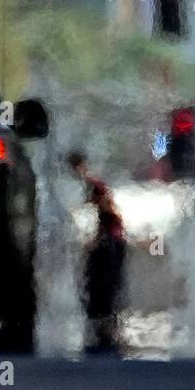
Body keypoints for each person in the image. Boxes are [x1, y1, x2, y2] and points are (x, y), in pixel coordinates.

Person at [67, 150, 126, 351]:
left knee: (102, 282)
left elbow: (106, 211)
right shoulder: (91, 186)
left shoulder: (93, 187)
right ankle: (102, 323)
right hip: (109, 241)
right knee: (100, 283)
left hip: (108, 242)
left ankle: (104, 324)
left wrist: (95, 239)